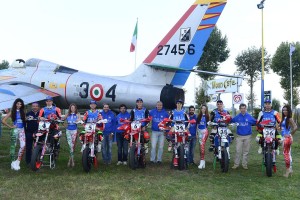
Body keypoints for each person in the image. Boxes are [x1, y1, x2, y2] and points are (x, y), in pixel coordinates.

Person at [2, 98, 26, 170]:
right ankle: (12, 162)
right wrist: (11, 126)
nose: (19, 105)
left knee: (23, 145)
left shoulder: (23, 112)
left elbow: (24, 120)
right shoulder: (12, 111)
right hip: (15, 130)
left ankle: (17, 161)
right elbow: (3, 120)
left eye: (20, 104)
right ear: (15, 104)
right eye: (18, 104)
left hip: (22, 130)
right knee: (13, 146)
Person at [231, 104, 257, 170]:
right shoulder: (237, 117)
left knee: (246, 151)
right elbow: (231, 120)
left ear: (246, 109)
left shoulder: (249, 116)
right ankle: (236, 164)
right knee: (237, 150)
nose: (243, 110)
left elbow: (256, 122)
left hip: (247, 136)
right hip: (239, 136)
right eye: (241, 108)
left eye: (244, 108)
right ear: (240, 109)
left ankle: (244, 164)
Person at [168, 99, 189, 166]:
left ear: (182, 105)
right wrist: (169, 125)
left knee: (188, 134)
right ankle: (170, 142)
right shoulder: (173, 112)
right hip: (175, 126)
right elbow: (169, 120)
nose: (179, 104)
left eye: (180, 103)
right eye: (178, 103)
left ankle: (186, 144)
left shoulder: (184, 112)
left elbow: (188, 120)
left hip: (182, 126)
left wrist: (187, 127)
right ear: (176, 104)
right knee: (170, 133)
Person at [280, 105, 297, 177]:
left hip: (287, 138)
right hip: (284, 137)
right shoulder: (285, 118)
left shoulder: (289, 118)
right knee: (288, 154)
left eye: (286, 110)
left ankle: (288, 170)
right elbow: (283, 128)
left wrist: (290, 134)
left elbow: (295, 127)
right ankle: (290, 170)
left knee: (286, 154)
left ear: (289, 111)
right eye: (283, 110)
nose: (284, 111)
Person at [64, 103, 81, 167]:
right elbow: (63, 120)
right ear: (70, 108)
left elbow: (79, 119)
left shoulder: (77, 114)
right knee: (70, 145)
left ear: (75, 108)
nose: (72, 109)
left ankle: (71, 160)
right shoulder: (67, 114)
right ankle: (71, 160)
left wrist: (78, 120)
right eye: (71, 108)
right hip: (68, 130)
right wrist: (65, 124)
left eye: (74, 108)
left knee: (72, 146)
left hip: (74, 130)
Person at [196, 104, 210, 169]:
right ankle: (203, 161)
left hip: (204, 132)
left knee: (202, 146)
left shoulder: (207, 116)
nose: (203, 110)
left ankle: (201, 162)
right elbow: (197, 124)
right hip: (199, 132)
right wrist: (196, 133)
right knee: (201, 147)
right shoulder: (198, 116)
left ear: (206, 110)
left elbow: (208, 125)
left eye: (204, 109)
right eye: (202, 108)